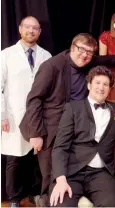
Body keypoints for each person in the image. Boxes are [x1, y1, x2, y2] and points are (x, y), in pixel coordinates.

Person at [19, 33, 115, 206]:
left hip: (80, 127)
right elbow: (34, 99)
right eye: (81, 50)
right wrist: (35, 133)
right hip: (49, 129)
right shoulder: (52, 66)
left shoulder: (89, 63)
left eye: (89, 52)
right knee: (51, 178)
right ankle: (44, 200)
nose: (85, 55)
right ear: (72, 47)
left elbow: (108, 59)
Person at [49, 66, 115, 207]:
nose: (101, 87)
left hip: (101, 173)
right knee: (61, 204)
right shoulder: (73, 108)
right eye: (97, 83)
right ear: (89, 85)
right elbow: (60, 147)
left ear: (110, 89)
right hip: (72, 172)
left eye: (105, 84)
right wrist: (61, 180)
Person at [1, 16, 51, 207]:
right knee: (14, 159)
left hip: (38, 116)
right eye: (27, 27)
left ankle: (35, 194)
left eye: (35, 28)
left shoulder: (46, 56)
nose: (31, 31)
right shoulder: (6, 55)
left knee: (37, 159)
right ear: (20, 29)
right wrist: (2, 115)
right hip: (14, 115)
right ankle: (14, 198)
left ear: (39, 32)